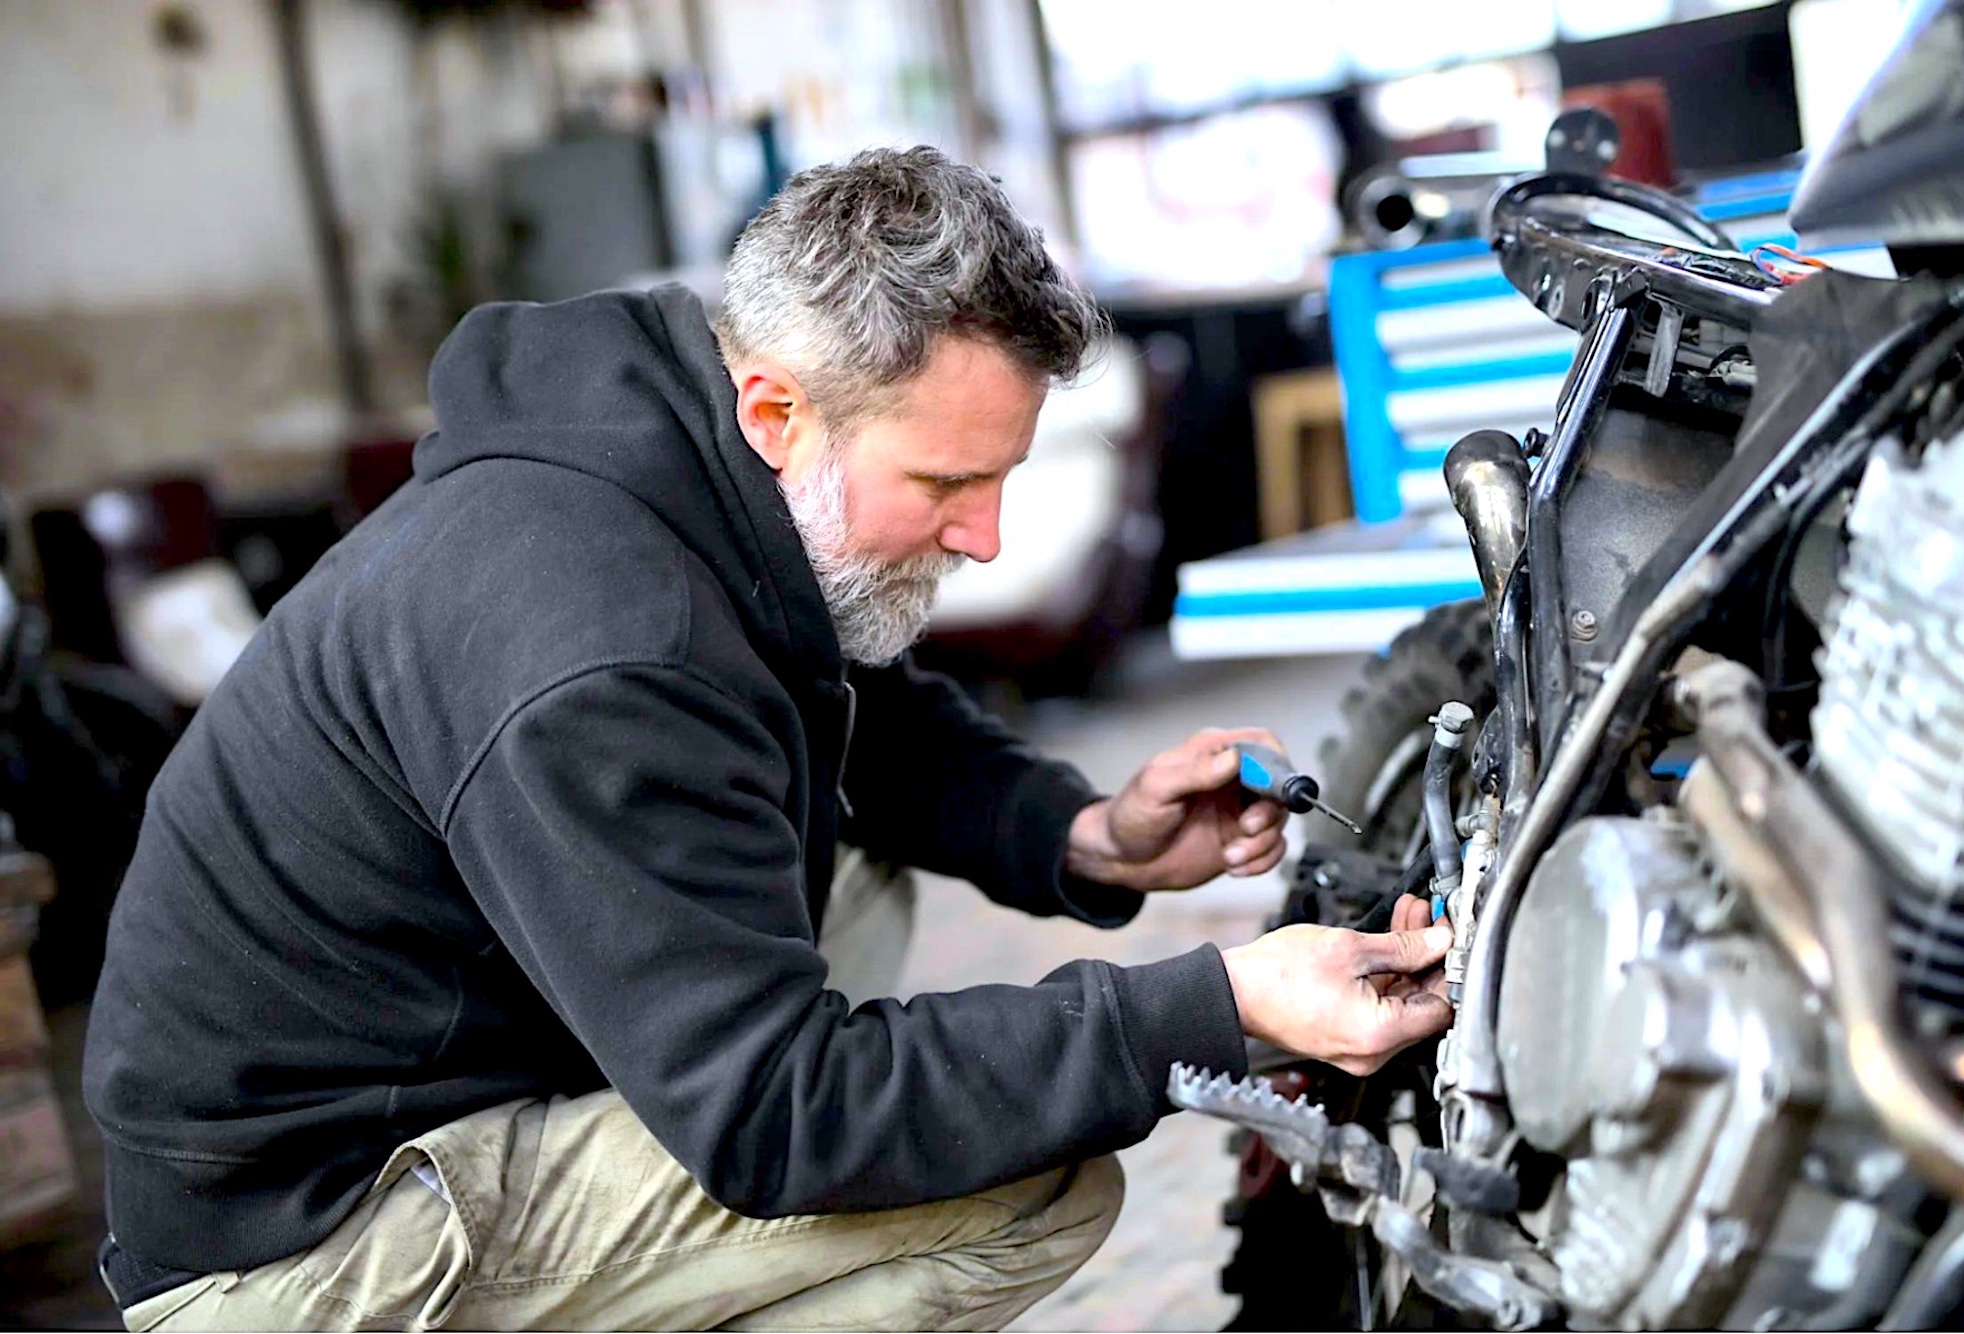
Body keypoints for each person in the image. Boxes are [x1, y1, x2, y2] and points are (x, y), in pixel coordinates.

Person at [83, 146, 1453, 1332]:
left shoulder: (682, 461)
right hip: (309, 1239)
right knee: (1022, 1179)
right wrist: (1219, 1003)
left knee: (864, 870)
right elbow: (781, 1112)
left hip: (433, 1077)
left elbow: (849, 701)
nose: (987, 539)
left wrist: (1084, 834)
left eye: (1003, 478)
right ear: (777, 413)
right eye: (948, 482)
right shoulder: (601, 645)